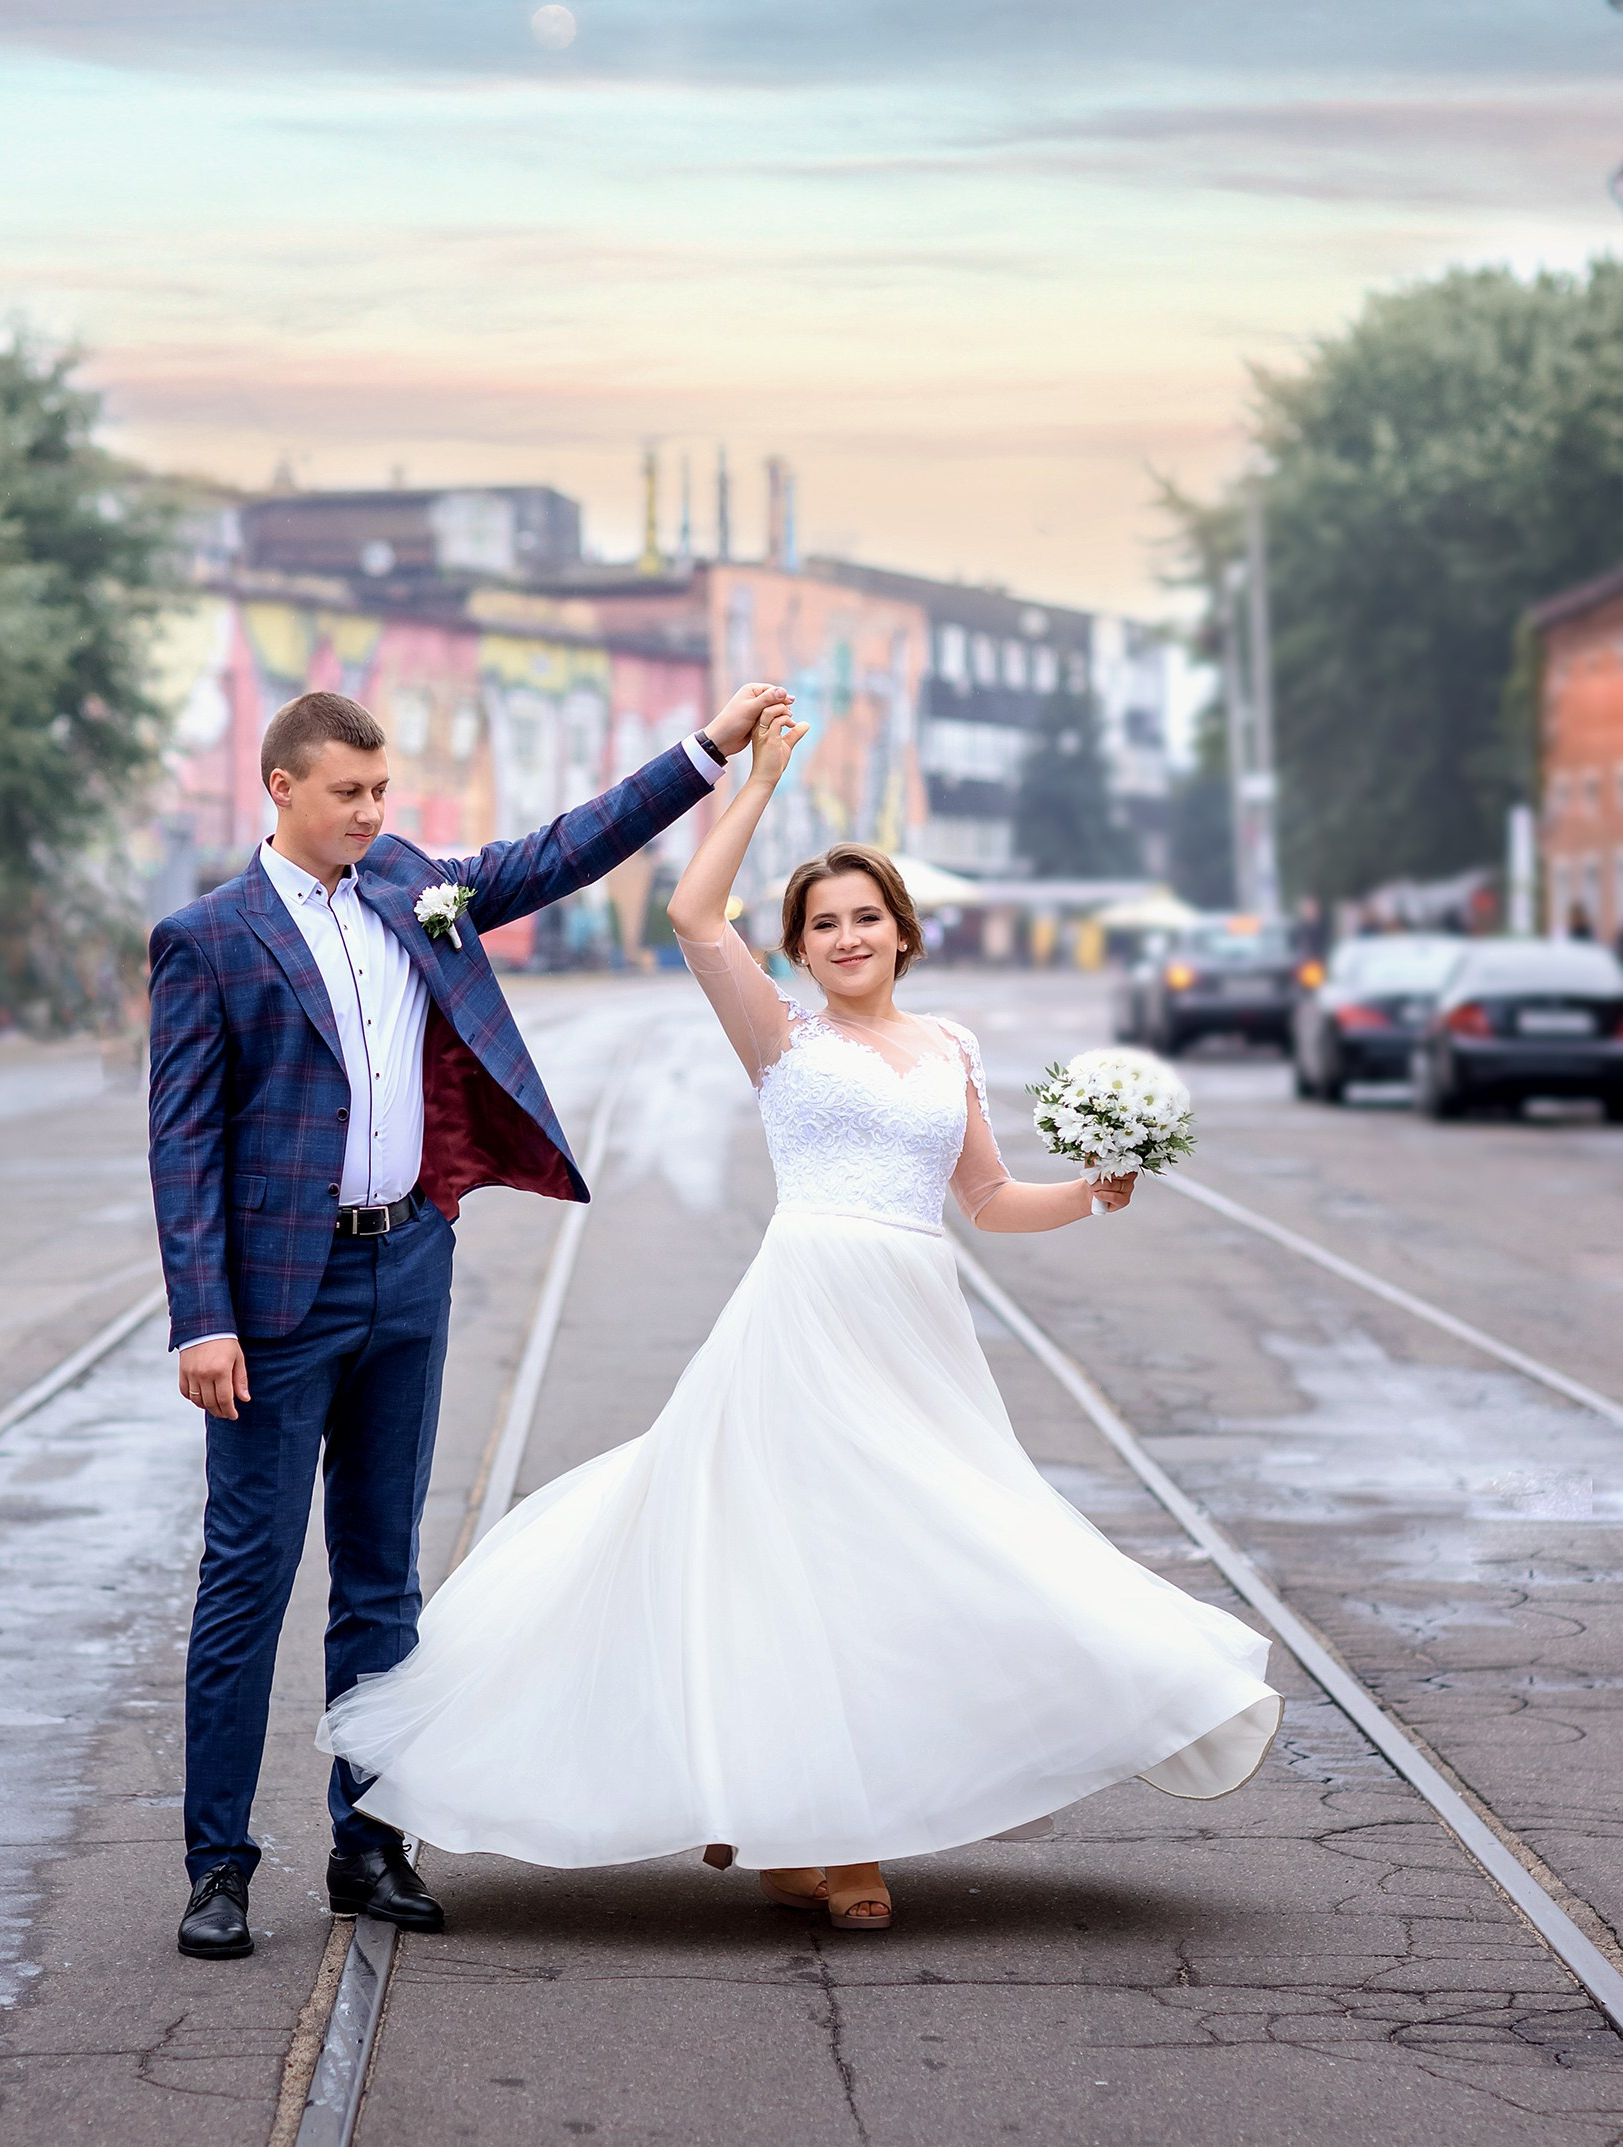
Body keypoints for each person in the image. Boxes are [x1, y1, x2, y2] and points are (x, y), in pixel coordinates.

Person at [324, 700, 1281, 1931]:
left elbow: (987, 1200)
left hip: (913, 1324)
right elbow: (690, 914)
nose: (844, 937)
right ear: (799, 947)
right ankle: (830, 1839)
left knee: (923, 1550)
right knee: (808, 1558)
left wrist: (1092, 1194)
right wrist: (758, 781)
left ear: (901, 932)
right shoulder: (779, 1034)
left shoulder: (949, 1048)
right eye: (821, 924)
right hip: (804, 1311)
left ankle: (796, 1821)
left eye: (863, 918)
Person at [149, 678, 790, 1959]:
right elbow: (183, 1143)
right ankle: (217, 1865)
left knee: (381, 1577)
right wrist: (200, 1318)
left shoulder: (411, 886)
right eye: (347, 793)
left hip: (406, 1269)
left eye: (381, 791)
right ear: (279, 788)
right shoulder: (207, 938)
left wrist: (706, 750)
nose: (369, 812)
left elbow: (564, 849)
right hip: (273, 1305)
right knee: (249, 1579)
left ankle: (369, 1840)